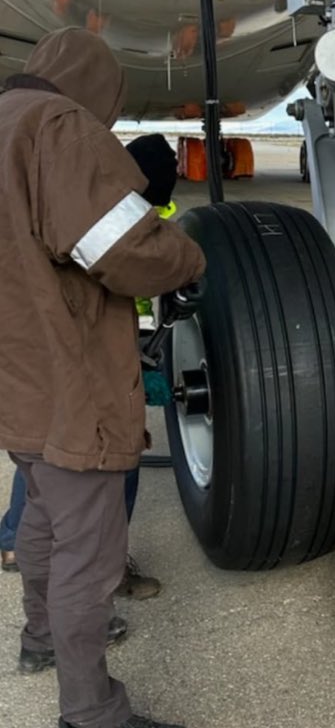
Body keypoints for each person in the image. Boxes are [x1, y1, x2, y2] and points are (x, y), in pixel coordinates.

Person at [0, 28, 206, 728]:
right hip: (68, 376)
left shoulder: (4, 123)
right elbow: (121, 247)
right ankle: (92, 712)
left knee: (40, 517)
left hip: (17, 377)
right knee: (89, 552)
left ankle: (39, 642)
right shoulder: (57, 126)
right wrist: (187, 260)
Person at [1, 133, 181, 601]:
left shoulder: (75, 200)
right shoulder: (113, 225)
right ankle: (106, 568)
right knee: (118, 456)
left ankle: (14, 543)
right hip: (86, 354)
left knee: (43, 448)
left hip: (41, 352)